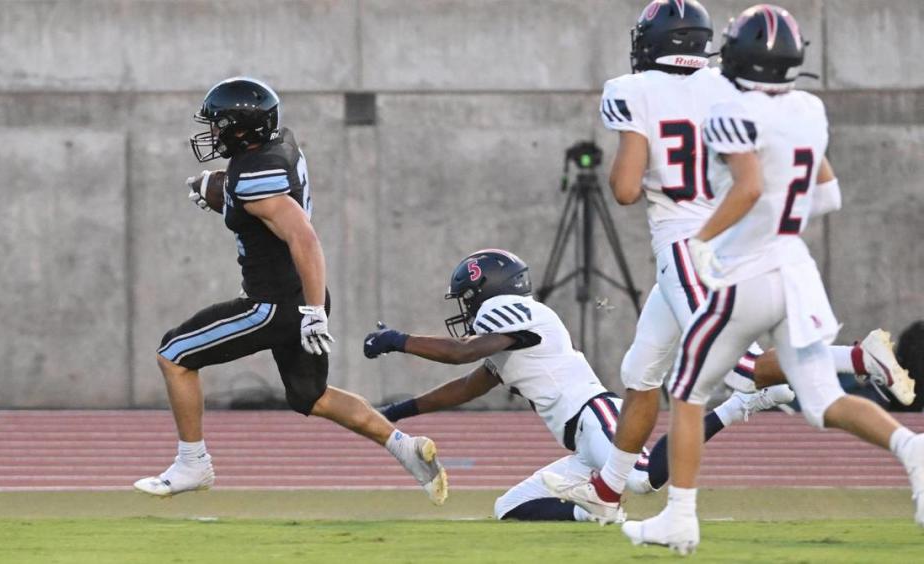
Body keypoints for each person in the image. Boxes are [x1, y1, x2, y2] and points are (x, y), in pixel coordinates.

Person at [565, 0, 914, 518]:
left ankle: (857, 359)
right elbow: (814, 182)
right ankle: (608, 491)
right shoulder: (734, 88)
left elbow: (622, 189)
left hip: (692, 244)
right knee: (641, 370)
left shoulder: (630, 90)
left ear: (653, 41)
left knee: (743, 372)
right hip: (729, 238)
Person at [133, 77, 446, 505]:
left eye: (219, 124)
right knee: (310, 396)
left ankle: (193, 463)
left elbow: (304, 238)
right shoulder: (279, 148)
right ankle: (404, 447)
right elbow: (258, 196)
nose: (212, 133)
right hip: (301, 296)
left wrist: (313, 313)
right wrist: (219, 190)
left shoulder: (253, 176)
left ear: (242, 129)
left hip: (273, 305)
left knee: (174, 355)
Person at [362, 249, 793, 522]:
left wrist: (399, 341)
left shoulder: (506, 309)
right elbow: (468, 385)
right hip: (579, 441)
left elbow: (461, 353)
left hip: (593, 414)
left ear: (487, 290)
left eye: (468, 296)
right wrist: (398, 413)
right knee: (508, 508)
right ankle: (598, 516)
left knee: (642, 481)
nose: (466, 307)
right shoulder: (508, 334)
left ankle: (739, 404)